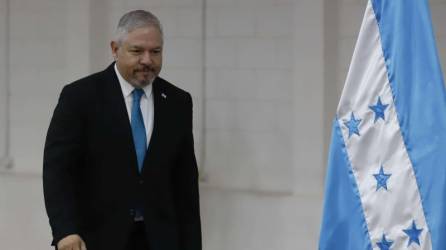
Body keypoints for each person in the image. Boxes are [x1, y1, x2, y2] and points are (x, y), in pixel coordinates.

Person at [43, 10, 201, 250]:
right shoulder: (80, 97)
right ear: (115, 49)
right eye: (137, 51)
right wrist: (65, 231)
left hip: (160, 239)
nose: (147, 60)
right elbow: (58, 171)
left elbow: (185, 184)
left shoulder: (178, 102)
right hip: (95, 239)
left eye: (155, 52)